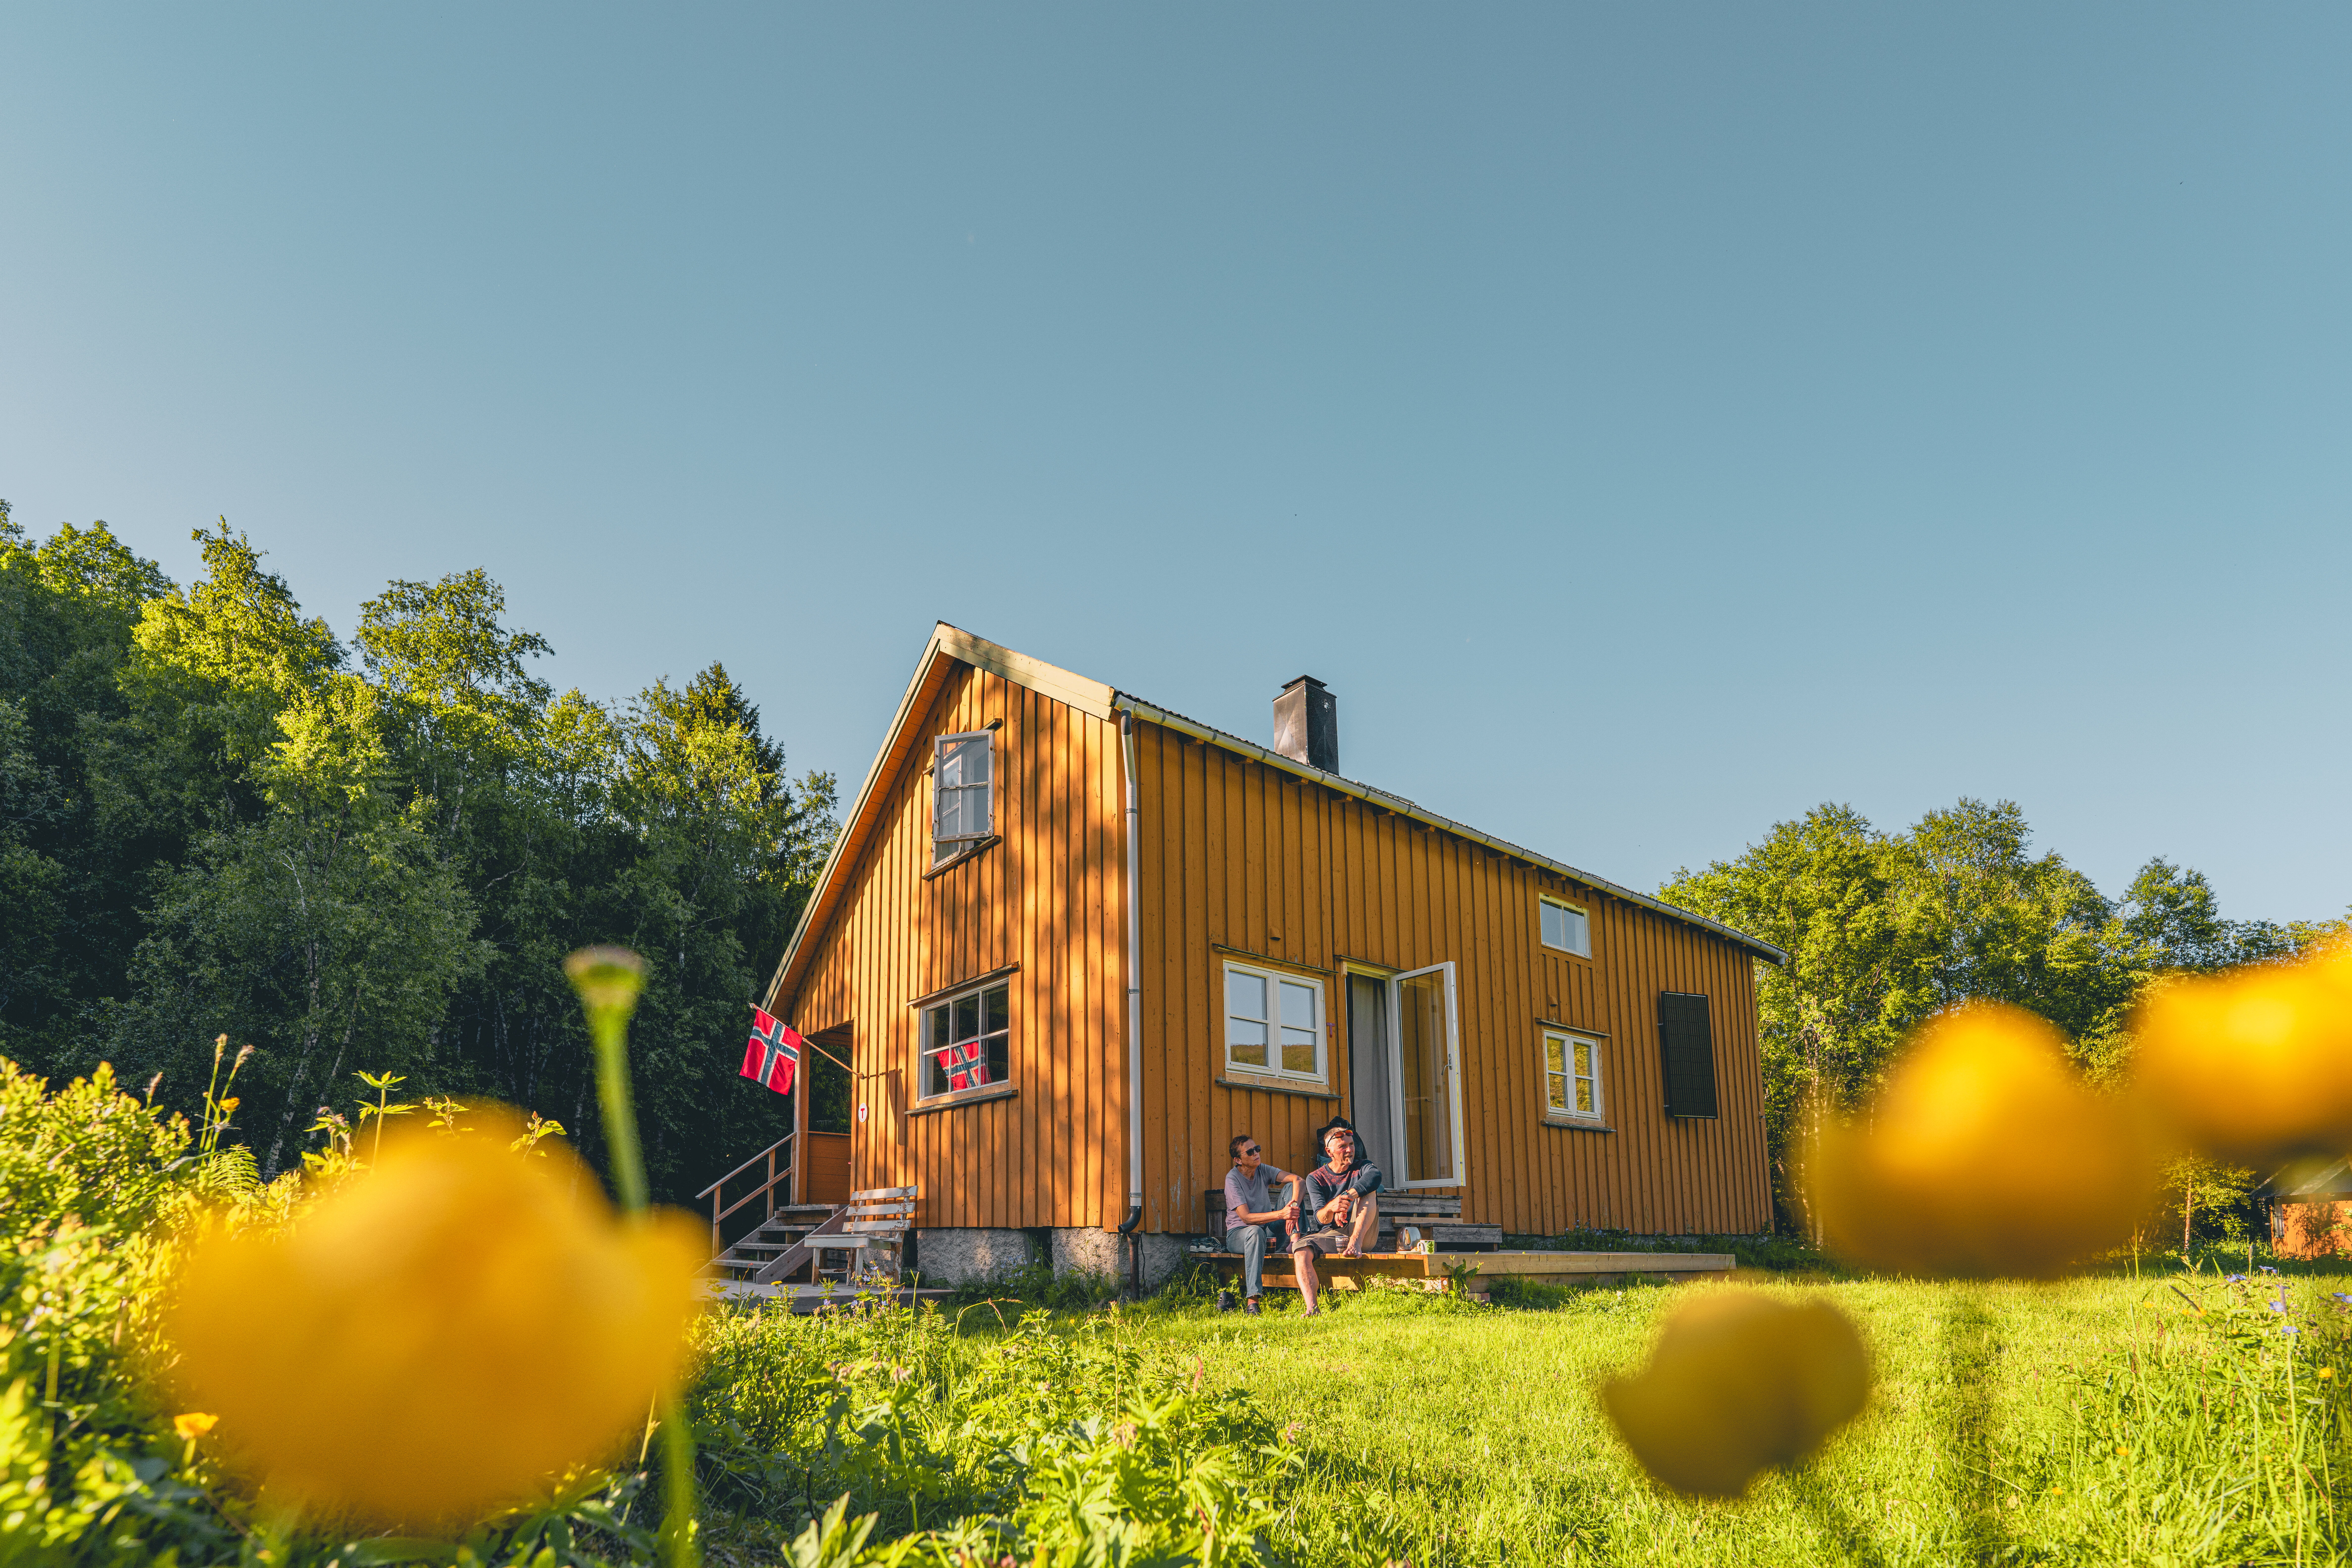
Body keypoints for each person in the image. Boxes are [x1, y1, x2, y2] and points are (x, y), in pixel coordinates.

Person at [1222, 1133, 1305, 1316]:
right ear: (1238, 1160)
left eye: (1257, 1149)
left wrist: (1292, 1210)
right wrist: (1282, 1214)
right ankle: (1253, 1301)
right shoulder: (1232, 1179)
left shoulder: (1262, 1169)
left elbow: (1298, 1180)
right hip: (1239, 1235)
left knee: (1293, 1189)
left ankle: (1296, 1242)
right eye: (1250, 1152)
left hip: (1267, 1233)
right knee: (1254, 1232)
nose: (1256, 1154)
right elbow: (1247, 1218)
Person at [1300, 1123, 1384, 1258]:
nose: (1350, 1150)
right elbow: (1321, 1219)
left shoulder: (1363, 1166)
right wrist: (1332, 1208)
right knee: (1300, 1249)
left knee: (1369, 1189)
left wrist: (1346, 1199)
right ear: (1329, 1152)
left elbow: (1375, 1176)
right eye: (1343, 1147)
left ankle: (1355, 1241)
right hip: (1335, 1235)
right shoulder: (1316, 1178)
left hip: (1363, 1236)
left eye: (1351, 1145)